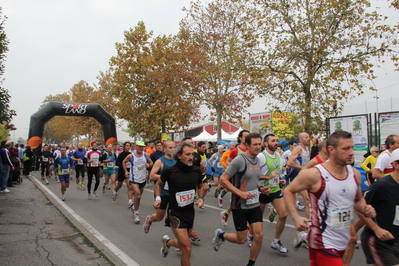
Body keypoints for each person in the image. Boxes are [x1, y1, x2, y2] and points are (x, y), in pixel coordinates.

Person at [284, 131, 376, 265]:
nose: (351, 152)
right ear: (331, 150)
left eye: (352, 148)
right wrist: (295, 216)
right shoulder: (315, 174)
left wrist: (365, 208)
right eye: (345, 148)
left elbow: (357, 201)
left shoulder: (354, 173)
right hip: (322, 241)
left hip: (343, 240)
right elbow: (288, 190)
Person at [212, 133, 270, 266]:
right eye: (254, 144)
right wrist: (240, 193)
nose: (257, 147)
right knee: (241, 239)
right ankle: (221, 235)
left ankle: (251, 264)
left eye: (259, 144)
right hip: (240, 205)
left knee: (259, 235)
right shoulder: (240, 160)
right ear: (247, 145)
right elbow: (223, 179)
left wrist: (260, 189)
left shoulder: (258, 160)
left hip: (254, 203)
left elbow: (253, 179)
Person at [154, 141, 204, 266]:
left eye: (192, 154)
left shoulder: (196, 171)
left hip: (189, 212)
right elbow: (158, 184)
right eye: (187, 154)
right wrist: (158, 199)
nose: (191, 157)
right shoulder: (169, 171)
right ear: (179, 156)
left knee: (183, 244)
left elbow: (200, 185)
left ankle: (168, 243)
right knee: (187, 248)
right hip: (175, 213)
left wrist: (201, 198)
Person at [359, 148, 399, 266]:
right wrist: (376, 229)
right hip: (378, 241)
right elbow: (361, 207)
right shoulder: (382, 186)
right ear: (395, 164)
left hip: (396, 240)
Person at [253, 134, 288, 253]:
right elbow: (253, 175)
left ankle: (276, 241)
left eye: (276, 140)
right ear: (266, 144)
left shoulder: (278, 155)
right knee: (258, 220)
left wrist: (280, 180)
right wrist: (267, 178)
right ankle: (250, 235)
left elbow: (276, 173)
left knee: (283, 215)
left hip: (275, 189)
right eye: (273, 141)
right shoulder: (261, 157)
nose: (276, 143)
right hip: (262, 191)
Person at [143, 141, 176, 233]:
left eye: (174, 147)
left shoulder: (177, 160)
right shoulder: (160, 161)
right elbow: (152, 176)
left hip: (175, 193)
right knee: (159, 217)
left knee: (177, 216)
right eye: (170, 148)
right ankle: (150, 219)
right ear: (164, 149)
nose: (173, 150)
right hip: (163, 193)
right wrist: (168, 176)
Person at [123, 140, 153, 223]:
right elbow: (124, 162)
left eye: (142, 147)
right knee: (138, 195)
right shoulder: (131, 156)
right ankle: (136, 214)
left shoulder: (146, 155)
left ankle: (134, 206)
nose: (141, 148)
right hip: (134, 179)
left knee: (138, 198)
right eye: (139, 146)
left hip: (143, 179)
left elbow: (151, 163)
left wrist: (149, 165)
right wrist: (126, 171)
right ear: (136, 147)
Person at [287, 132, 310, 214]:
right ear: (301, 140)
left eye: (308, 137)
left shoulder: (307, 148)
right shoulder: (298, 149)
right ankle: (309, 224)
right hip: (299, 177)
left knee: (310, 201)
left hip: (307, 176)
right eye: (306, 137)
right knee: (307, 200)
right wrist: (303, 168)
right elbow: (290, 163)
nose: (308, 139)